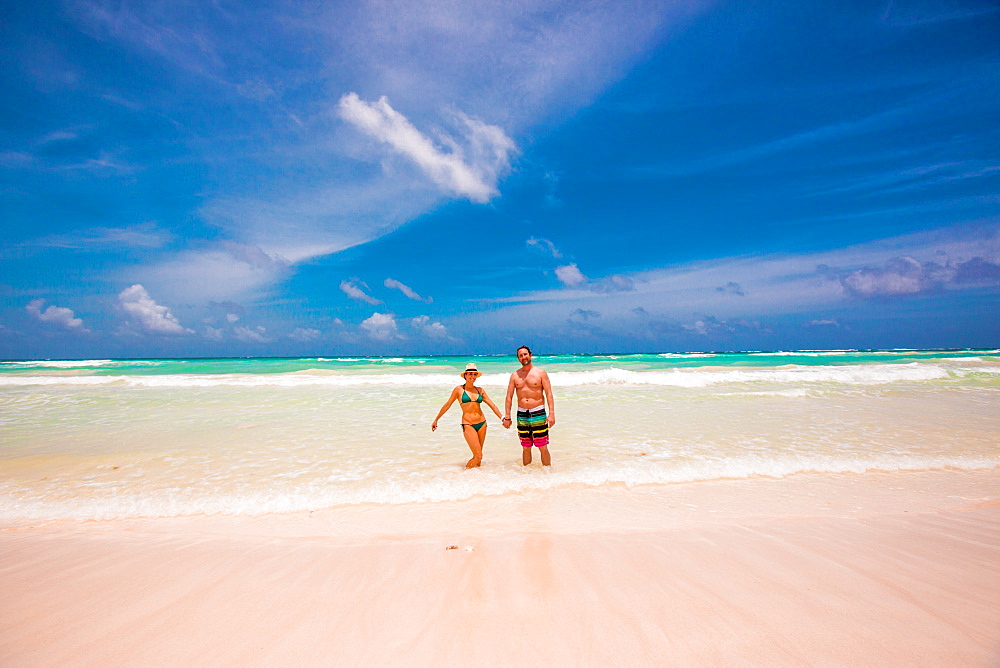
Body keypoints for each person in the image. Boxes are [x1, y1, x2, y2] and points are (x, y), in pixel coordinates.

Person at [431, 362, 504, 469]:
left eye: (474, 374)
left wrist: (502, 418)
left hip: (482, 424)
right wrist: (436, 419)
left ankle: (476, 479)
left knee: (479, 458)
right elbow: (447, 405)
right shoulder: (459, 390)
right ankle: (464, 475)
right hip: (468, 424)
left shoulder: (480, 390)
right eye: (470, 374)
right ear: (465, 375)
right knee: (478, 455)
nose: (472, 376)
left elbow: (492, 404)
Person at [502, 345, 555, 466]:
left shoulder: (540, 373)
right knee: (525, 447)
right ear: (518, 359)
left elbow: (549, 394)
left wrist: (551, 414)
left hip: (538, 412)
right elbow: (509, 397)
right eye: (520, 356)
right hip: (522, 414)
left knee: (542, 446)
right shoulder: (515, 375)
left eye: (525, 354)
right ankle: (527, 475)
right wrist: (507, 416)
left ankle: (548, 474)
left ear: (530, 355)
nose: (523, 357)